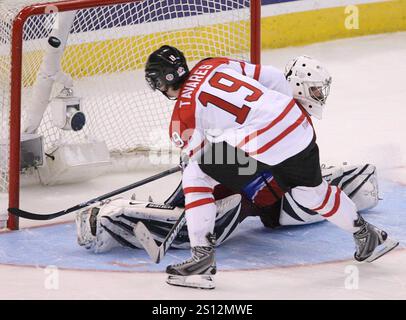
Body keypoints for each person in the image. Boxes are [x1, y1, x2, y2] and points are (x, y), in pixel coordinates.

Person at [142, 45, 398, 289]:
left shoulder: (180, 118)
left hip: (262, 143)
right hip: (297, 122)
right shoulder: (212, 64)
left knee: (196, 175)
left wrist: (193, 156)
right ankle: (367, 235)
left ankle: (201, 259)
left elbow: (205, 157)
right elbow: (274, 76)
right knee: (313, 192)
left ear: (159, 84)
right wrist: (279, 116)